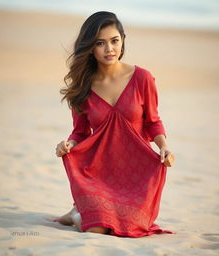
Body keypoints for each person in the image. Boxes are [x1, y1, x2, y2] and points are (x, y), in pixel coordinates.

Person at [53, 11, 175, 237]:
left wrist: (164, 146)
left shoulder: (142, 78)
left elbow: (153, 121)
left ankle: (79, 210)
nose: (109, 49)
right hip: (97, 172)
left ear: (123, 41)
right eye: (100, 43)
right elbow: (80, 132)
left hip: (136, 174)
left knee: (127, 229)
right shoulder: (83, 87)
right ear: (90, 47)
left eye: (114, 41)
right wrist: (68, 144)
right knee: (97, 229)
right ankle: (78, 213)